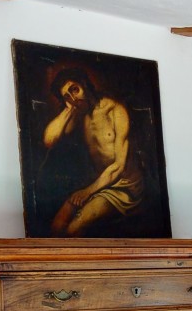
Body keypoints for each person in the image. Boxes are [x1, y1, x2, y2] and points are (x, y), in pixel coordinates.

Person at [40, 64, 145, 236]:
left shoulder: (114, 110)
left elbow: (119, 166)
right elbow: (49, 140)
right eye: (67, 96)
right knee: (57, 225)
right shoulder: (79, 113)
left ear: (84, 83)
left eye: (75, 89)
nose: (73, 98)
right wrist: (69, 109)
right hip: (98, 183)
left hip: (123, 188)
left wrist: (87, 192)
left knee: (73, 229)